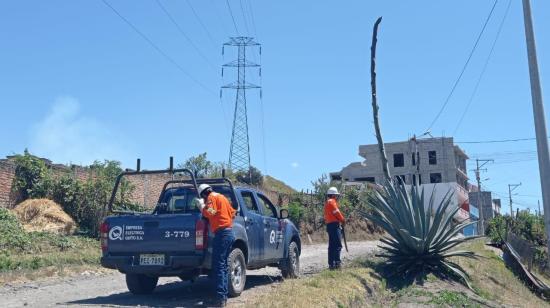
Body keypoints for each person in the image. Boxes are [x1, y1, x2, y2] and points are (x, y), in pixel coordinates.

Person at [197, 184, 236, 307]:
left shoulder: (211, 198)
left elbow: (211, 212)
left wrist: (202, 207)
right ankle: (222, 297)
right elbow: (233, 213)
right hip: (229, 233)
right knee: (223, 266)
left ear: (204, 194)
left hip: (222, 234)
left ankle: (220, 299)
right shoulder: (223, 197)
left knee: (218, 266)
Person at [324, 186, 345, 270]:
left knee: (332, 245)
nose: (336, 197)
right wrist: (343, 220)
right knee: (337, 245)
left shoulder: (327, 203)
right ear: (333, 195)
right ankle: (337, 263)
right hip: (334, 225)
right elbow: (337, 212)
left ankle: (331, 264)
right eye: (336, 195)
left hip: (329, 225)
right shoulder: (332, 202)